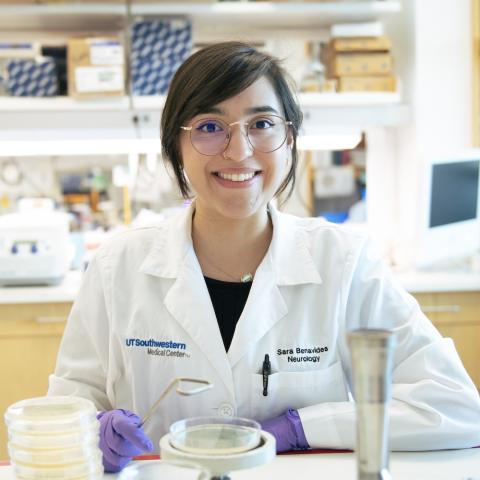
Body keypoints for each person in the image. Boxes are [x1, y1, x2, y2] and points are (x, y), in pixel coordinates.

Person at [48, 42, 480, 472]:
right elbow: (65, 409)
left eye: (261, 123)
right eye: (209, 126)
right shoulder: (116, 268)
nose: (238, 152)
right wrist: (91, 430)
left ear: (289, 138)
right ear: (175, 146)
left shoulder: (344, 263)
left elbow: (456, 407)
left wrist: (302, 427)